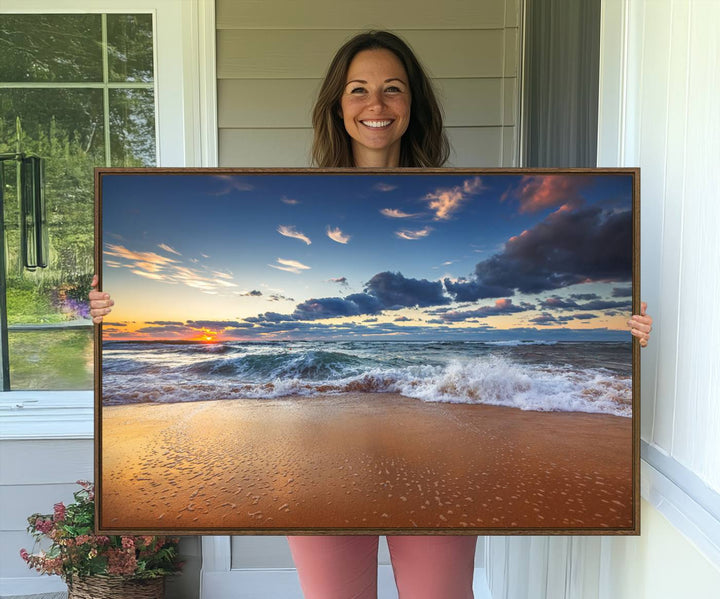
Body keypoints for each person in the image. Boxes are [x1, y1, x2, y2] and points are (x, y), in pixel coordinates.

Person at [90, 30, 653, 599]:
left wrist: (623, 328)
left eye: (393, 89)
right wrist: (110, 306)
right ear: (338, 104)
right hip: (316, 451)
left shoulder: (460, 193)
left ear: (413, 105)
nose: (376, 105)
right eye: (358, 90)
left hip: (438, 459)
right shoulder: (297, 200)